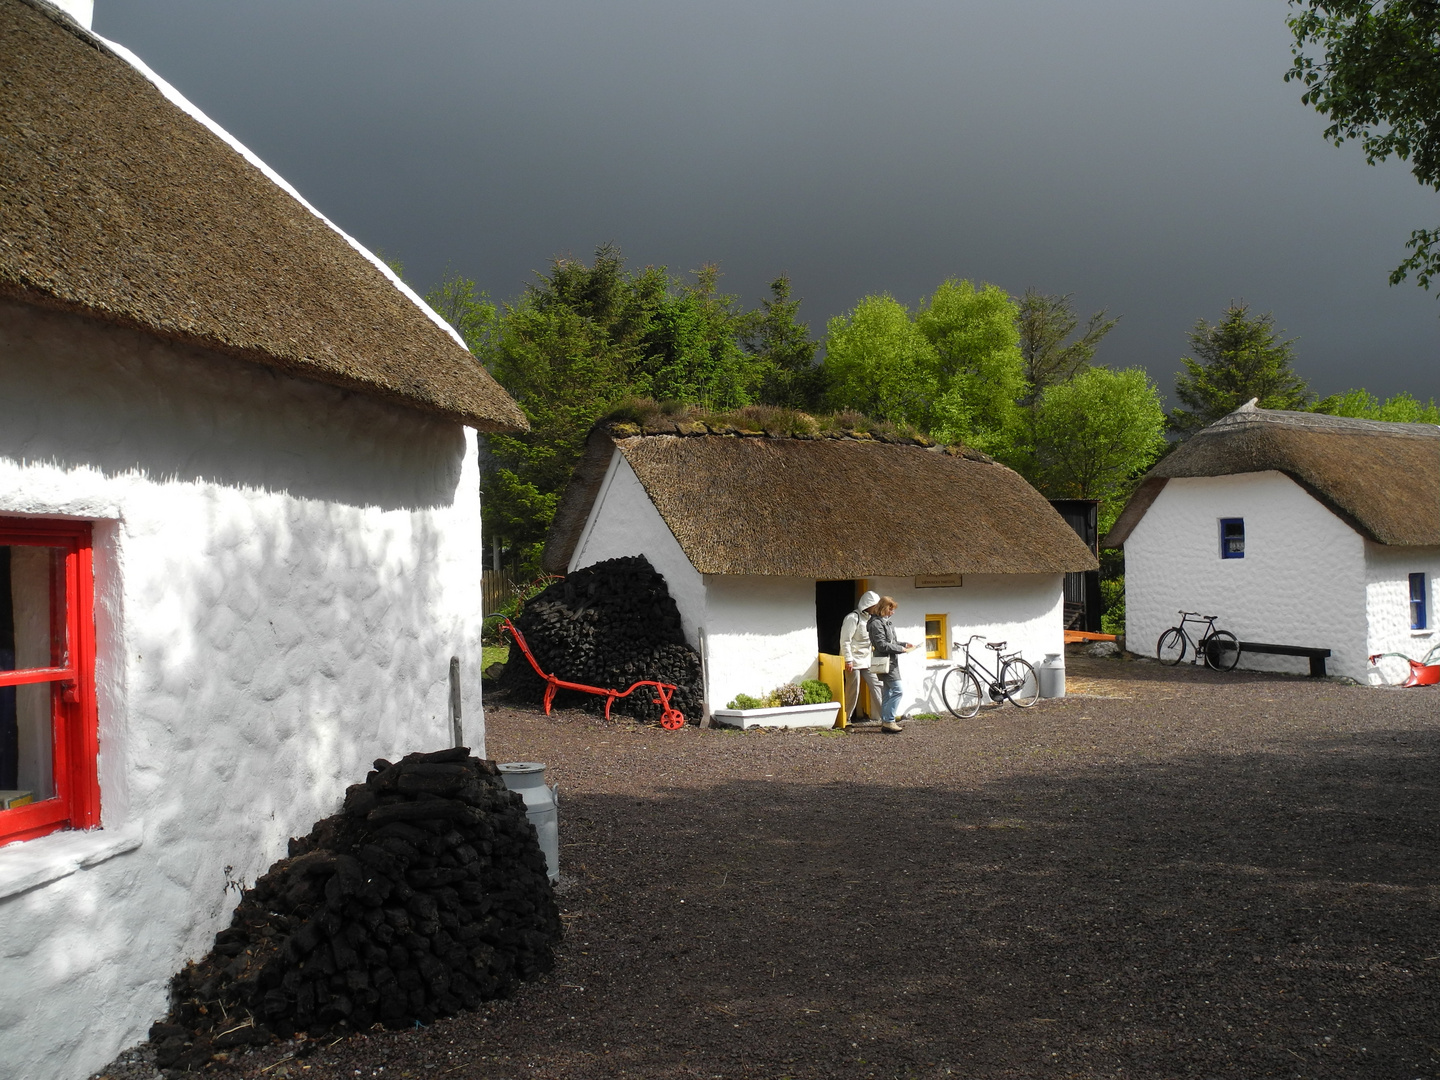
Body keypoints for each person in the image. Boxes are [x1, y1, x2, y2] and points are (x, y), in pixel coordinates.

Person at [867, 596, 916, 733]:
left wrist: (904, 644)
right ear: (883, 608)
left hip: (891, 661)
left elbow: (892, 641)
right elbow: (882, 645)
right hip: (886, 662)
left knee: (888, 692)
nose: (892, 612)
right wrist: (901, 649)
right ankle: (889, 721)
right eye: (891, 609)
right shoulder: (876, 623)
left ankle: (886, 721)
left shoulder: (885, 622)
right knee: (898, 690)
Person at [839, 590, 882, 725]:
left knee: (876, 685)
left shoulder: (872, 619)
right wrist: (848, 659)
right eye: (876, 605)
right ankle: (847, 719)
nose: (878, 608)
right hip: (854, 660)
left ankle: (886, 717)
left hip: (867, 660)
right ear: (868, 605)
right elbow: (845, 640)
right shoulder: (853, 618)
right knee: (853, 689)